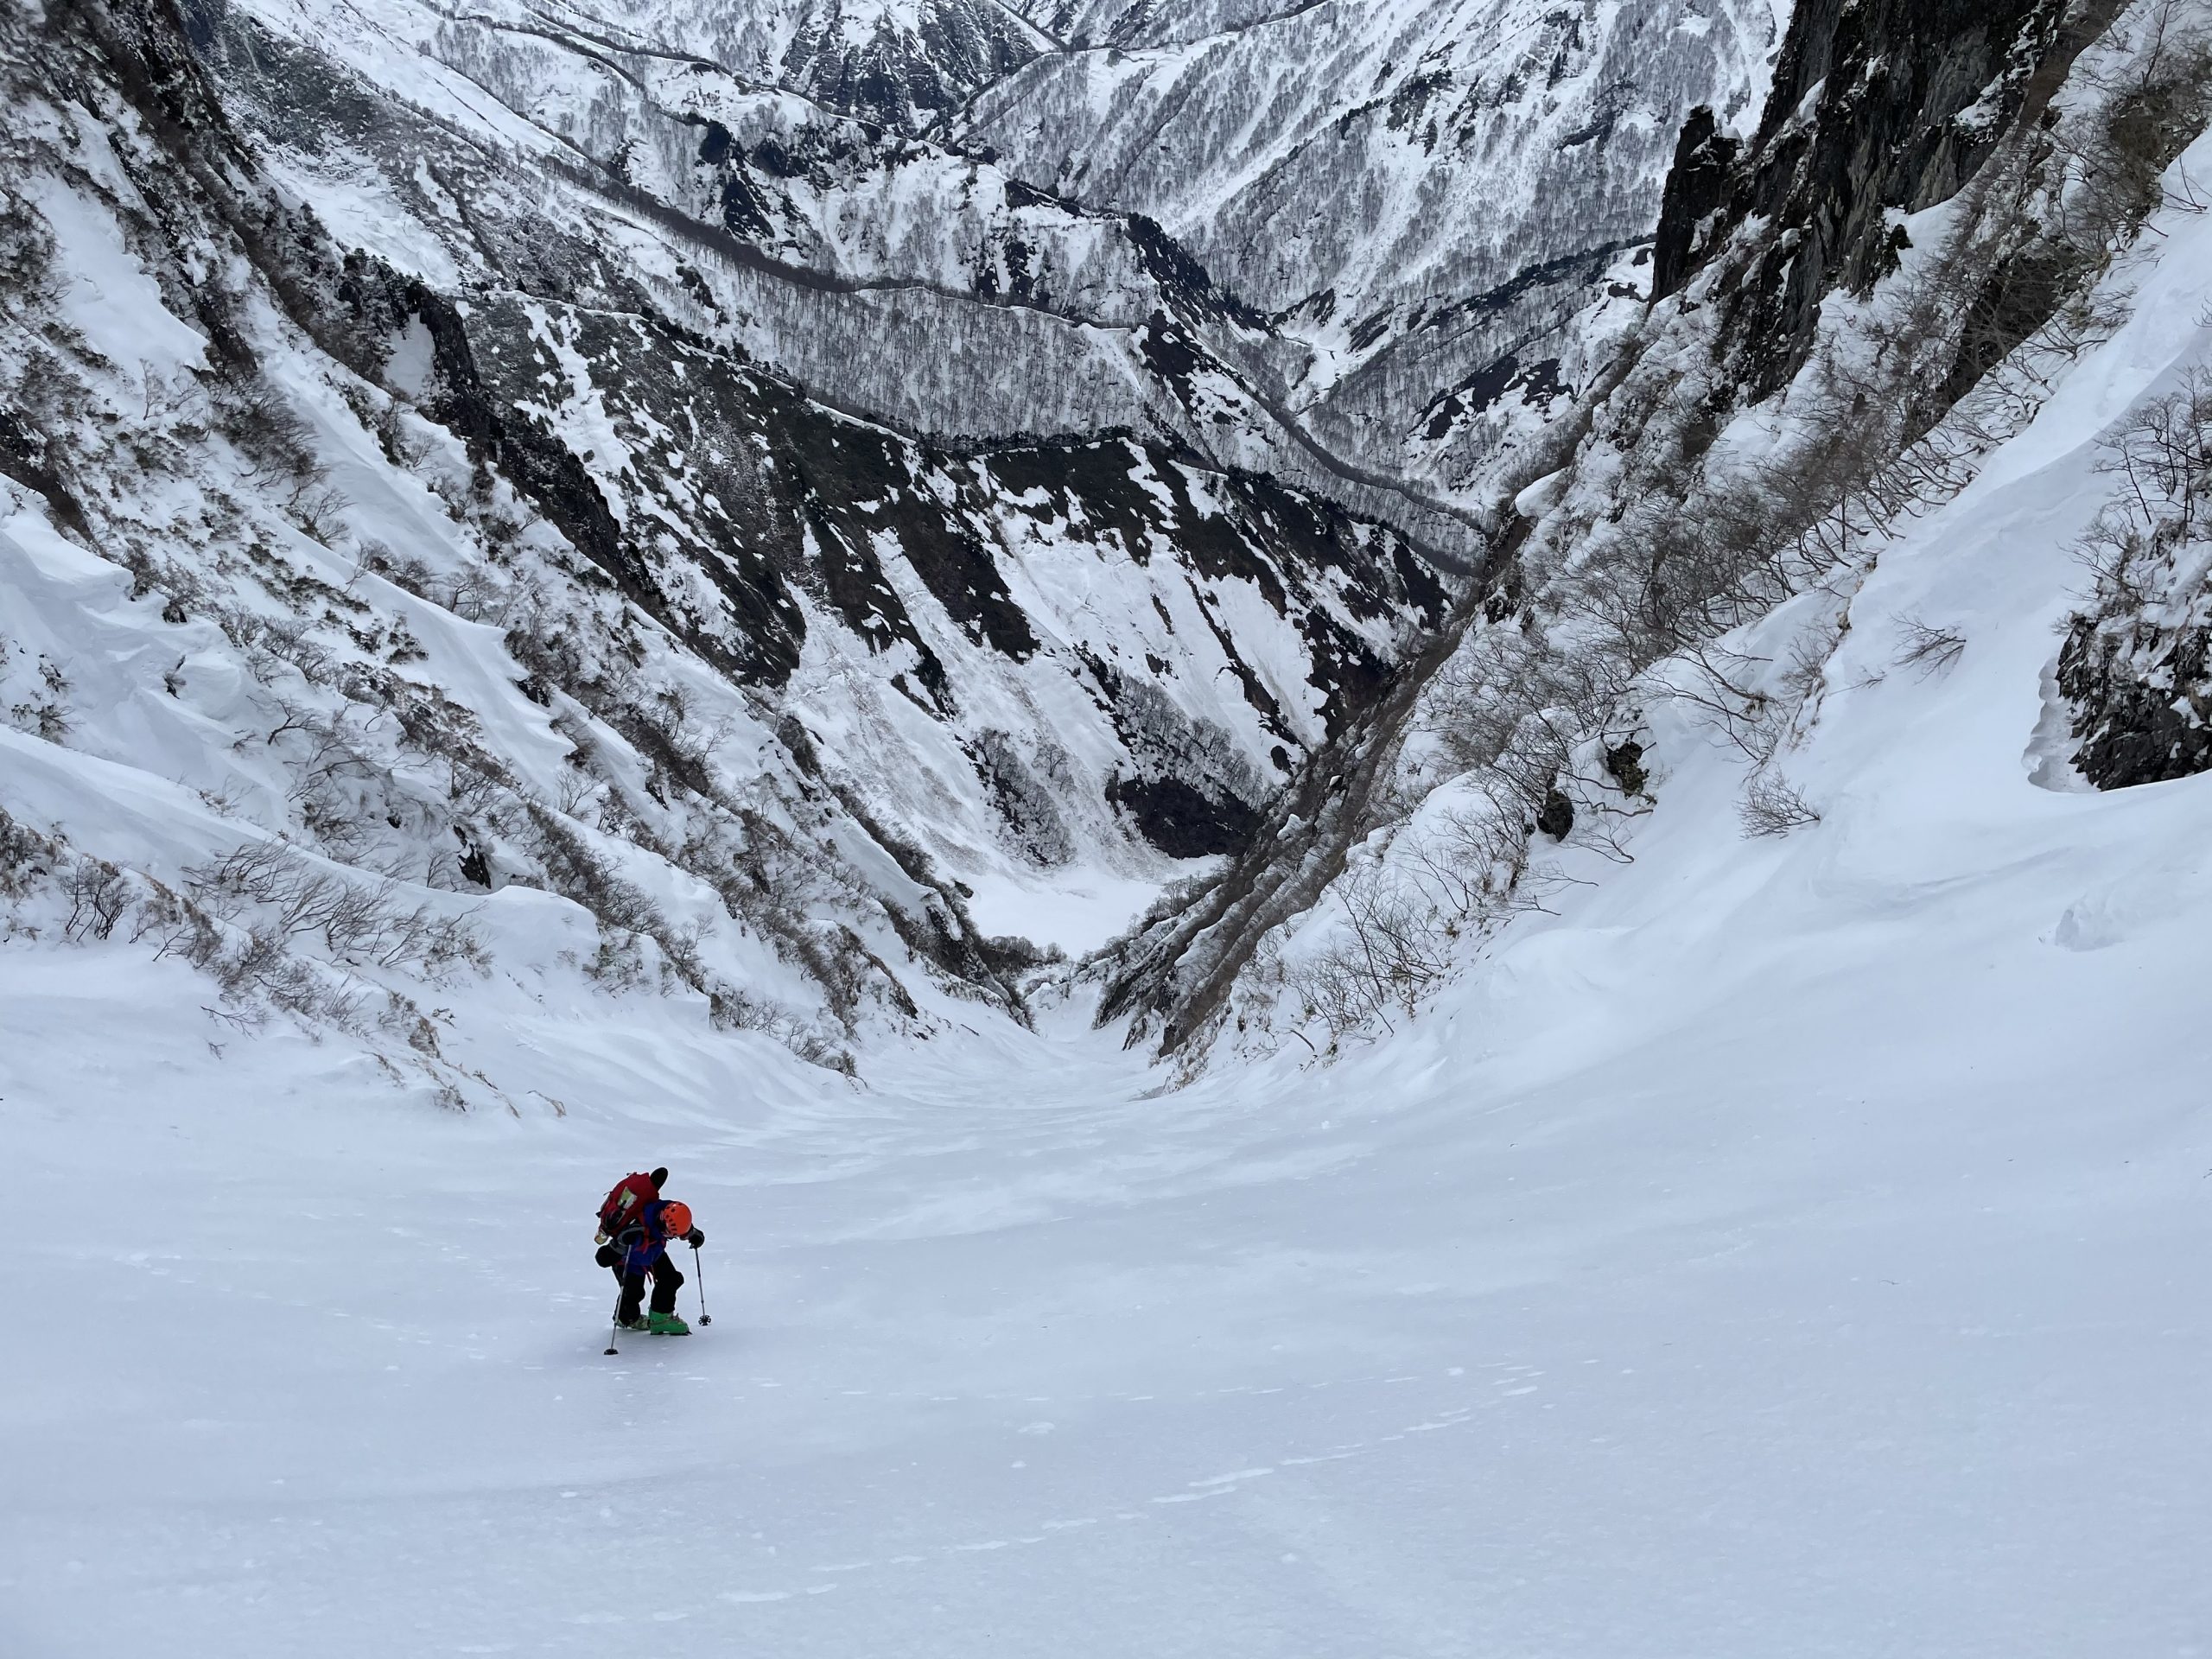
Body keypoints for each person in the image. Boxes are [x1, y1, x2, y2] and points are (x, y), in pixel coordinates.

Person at [594, 1166, 705, 1335]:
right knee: (633, 1293)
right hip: (629, 1261)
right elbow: (602, 1258)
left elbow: (678, 1224)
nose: (672, 1237)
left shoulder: (664, 1210)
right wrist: (620, 1246)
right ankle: (625, 1318)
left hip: (652, 1252)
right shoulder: (636, 1230)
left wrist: (692, 1233)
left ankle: (661, 1319)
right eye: (671, 1234)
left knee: (671, 1279)